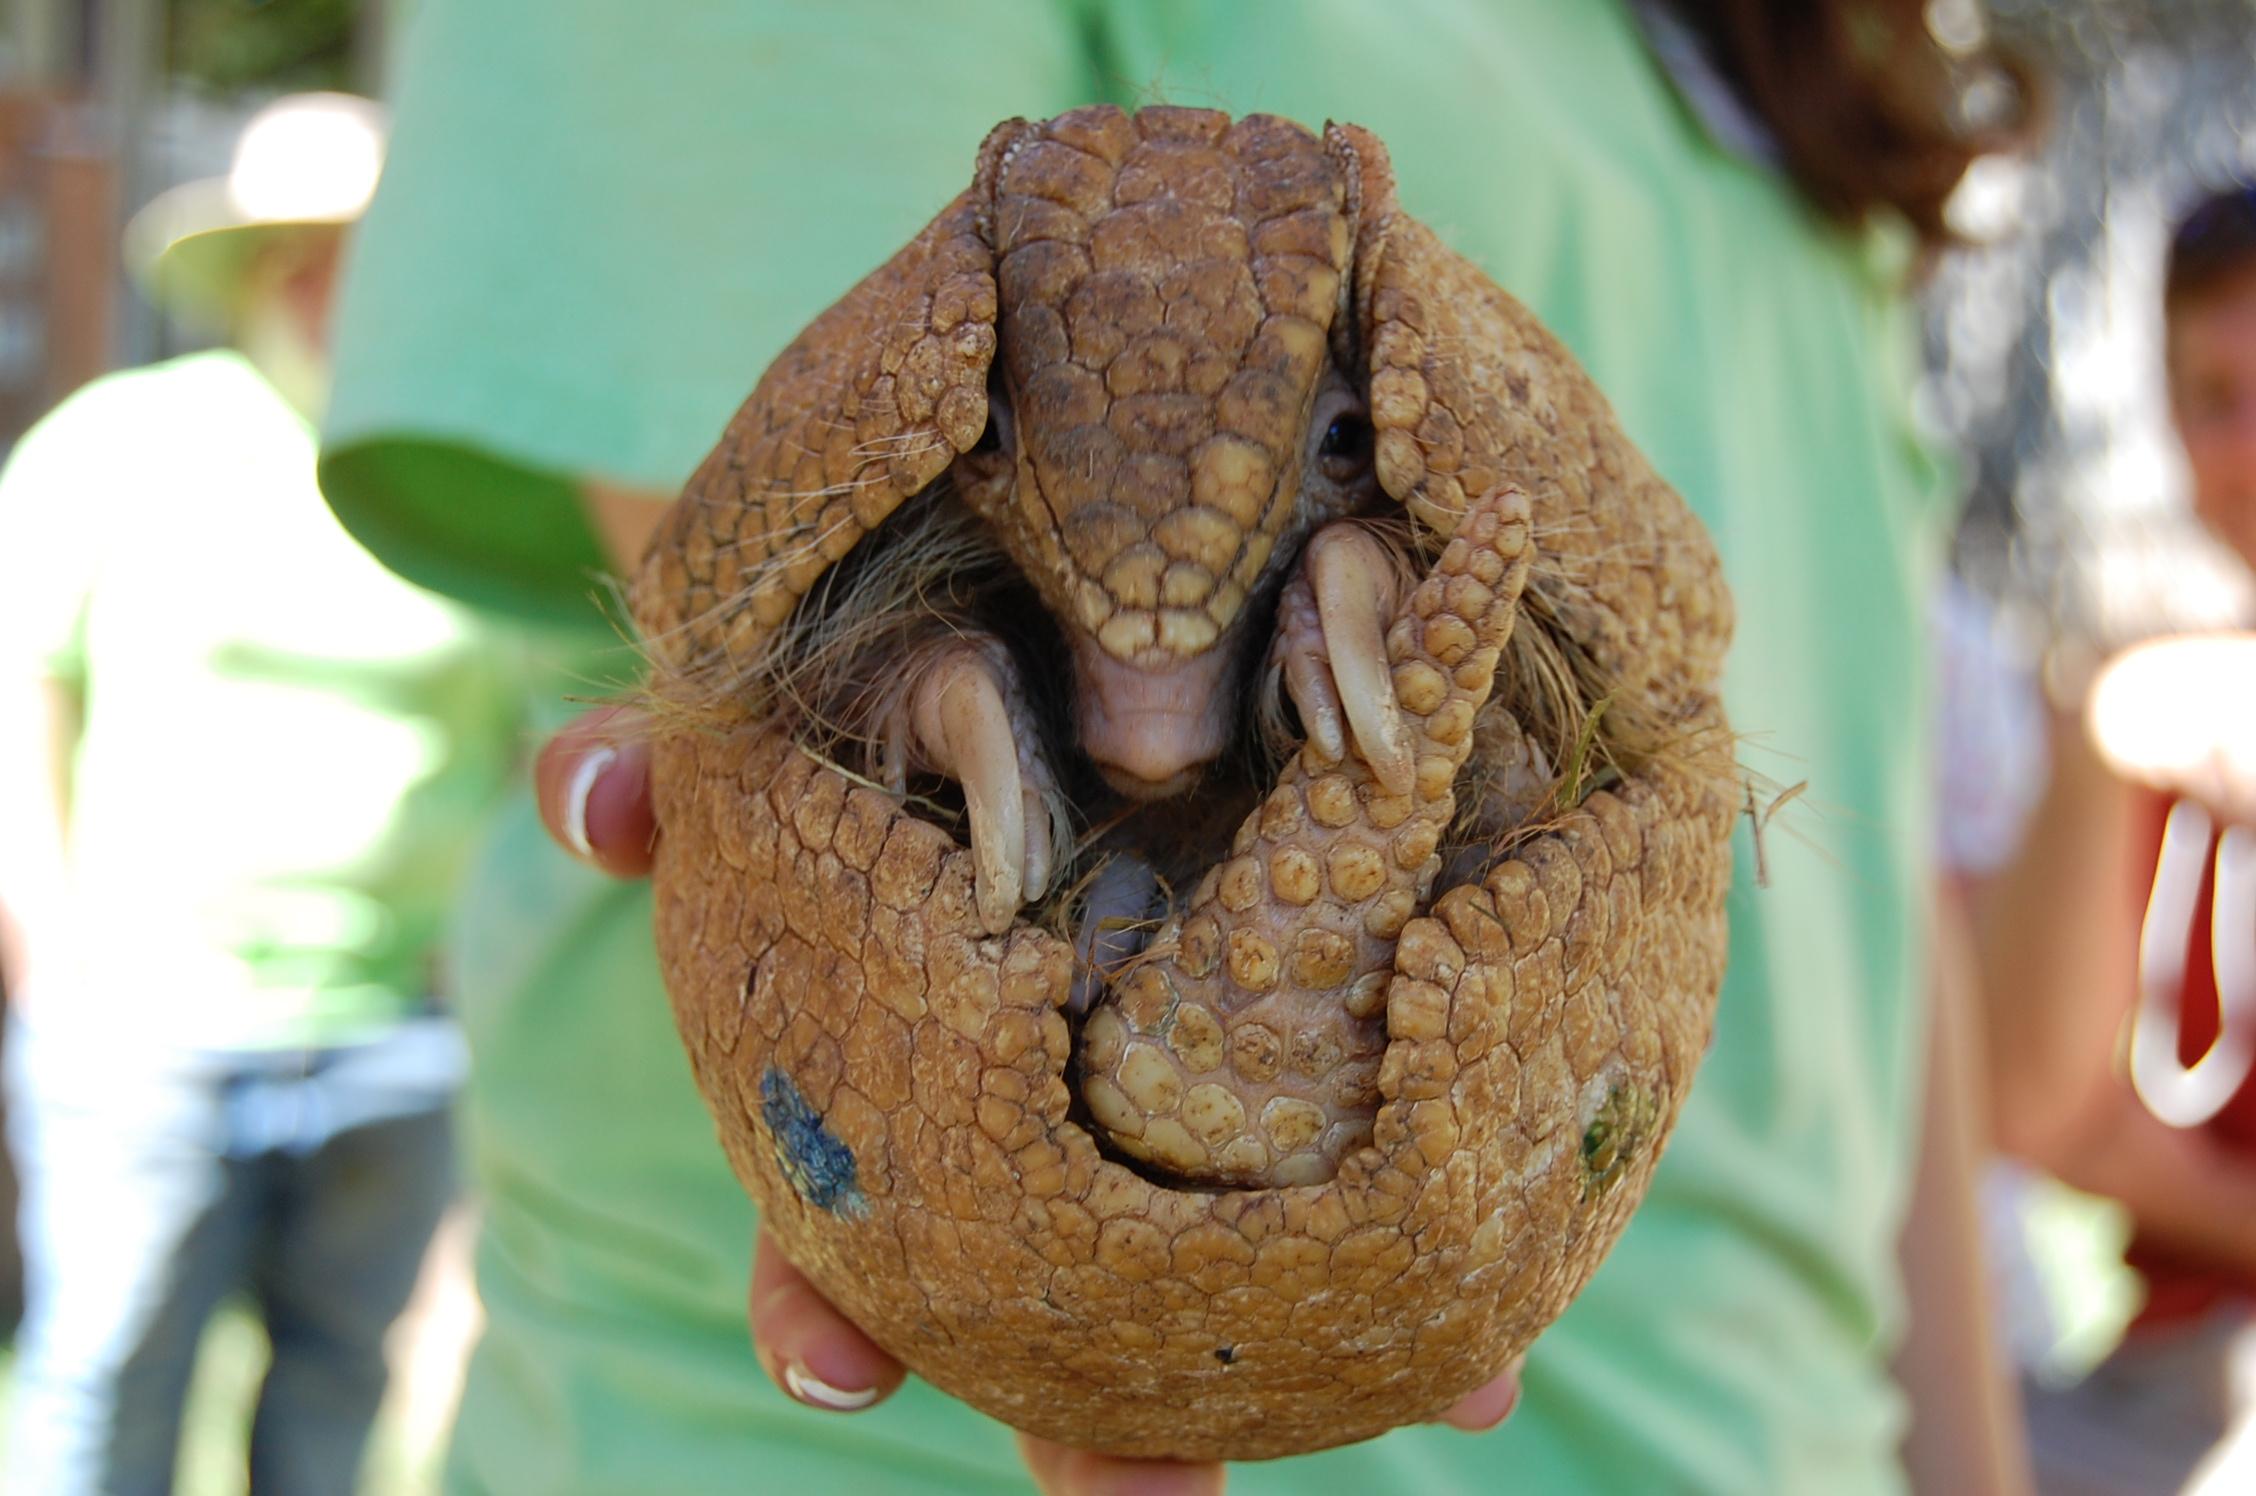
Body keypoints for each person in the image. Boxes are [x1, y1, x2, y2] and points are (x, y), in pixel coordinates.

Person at [317, 3, 2032, 1491]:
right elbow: (763, 624)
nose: (1149, 723)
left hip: (1770, 1435)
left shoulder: (1812, 51)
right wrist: (898, 717)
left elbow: (1863, 896)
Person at [0, 93, 523, 1493]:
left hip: (390, 1032)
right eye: (297, 252)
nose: (325, 284)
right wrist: (50, 955)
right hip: (146, 1027)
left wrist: (468, 970)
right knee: (106, 1379)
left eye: (363, 250)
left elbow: (528, 734)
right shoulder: (121, 446)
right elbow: (19, 691)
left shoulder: (466, 486)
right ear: (255, 276)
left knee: (334, 1387)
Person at [1971, 181, 2256, 1495]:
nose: (2248, 446)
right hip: (2170, 1385)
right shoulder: (2161, 710)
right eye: (2212, 399)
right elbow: (2045, 1110)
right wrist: (2100, 738)